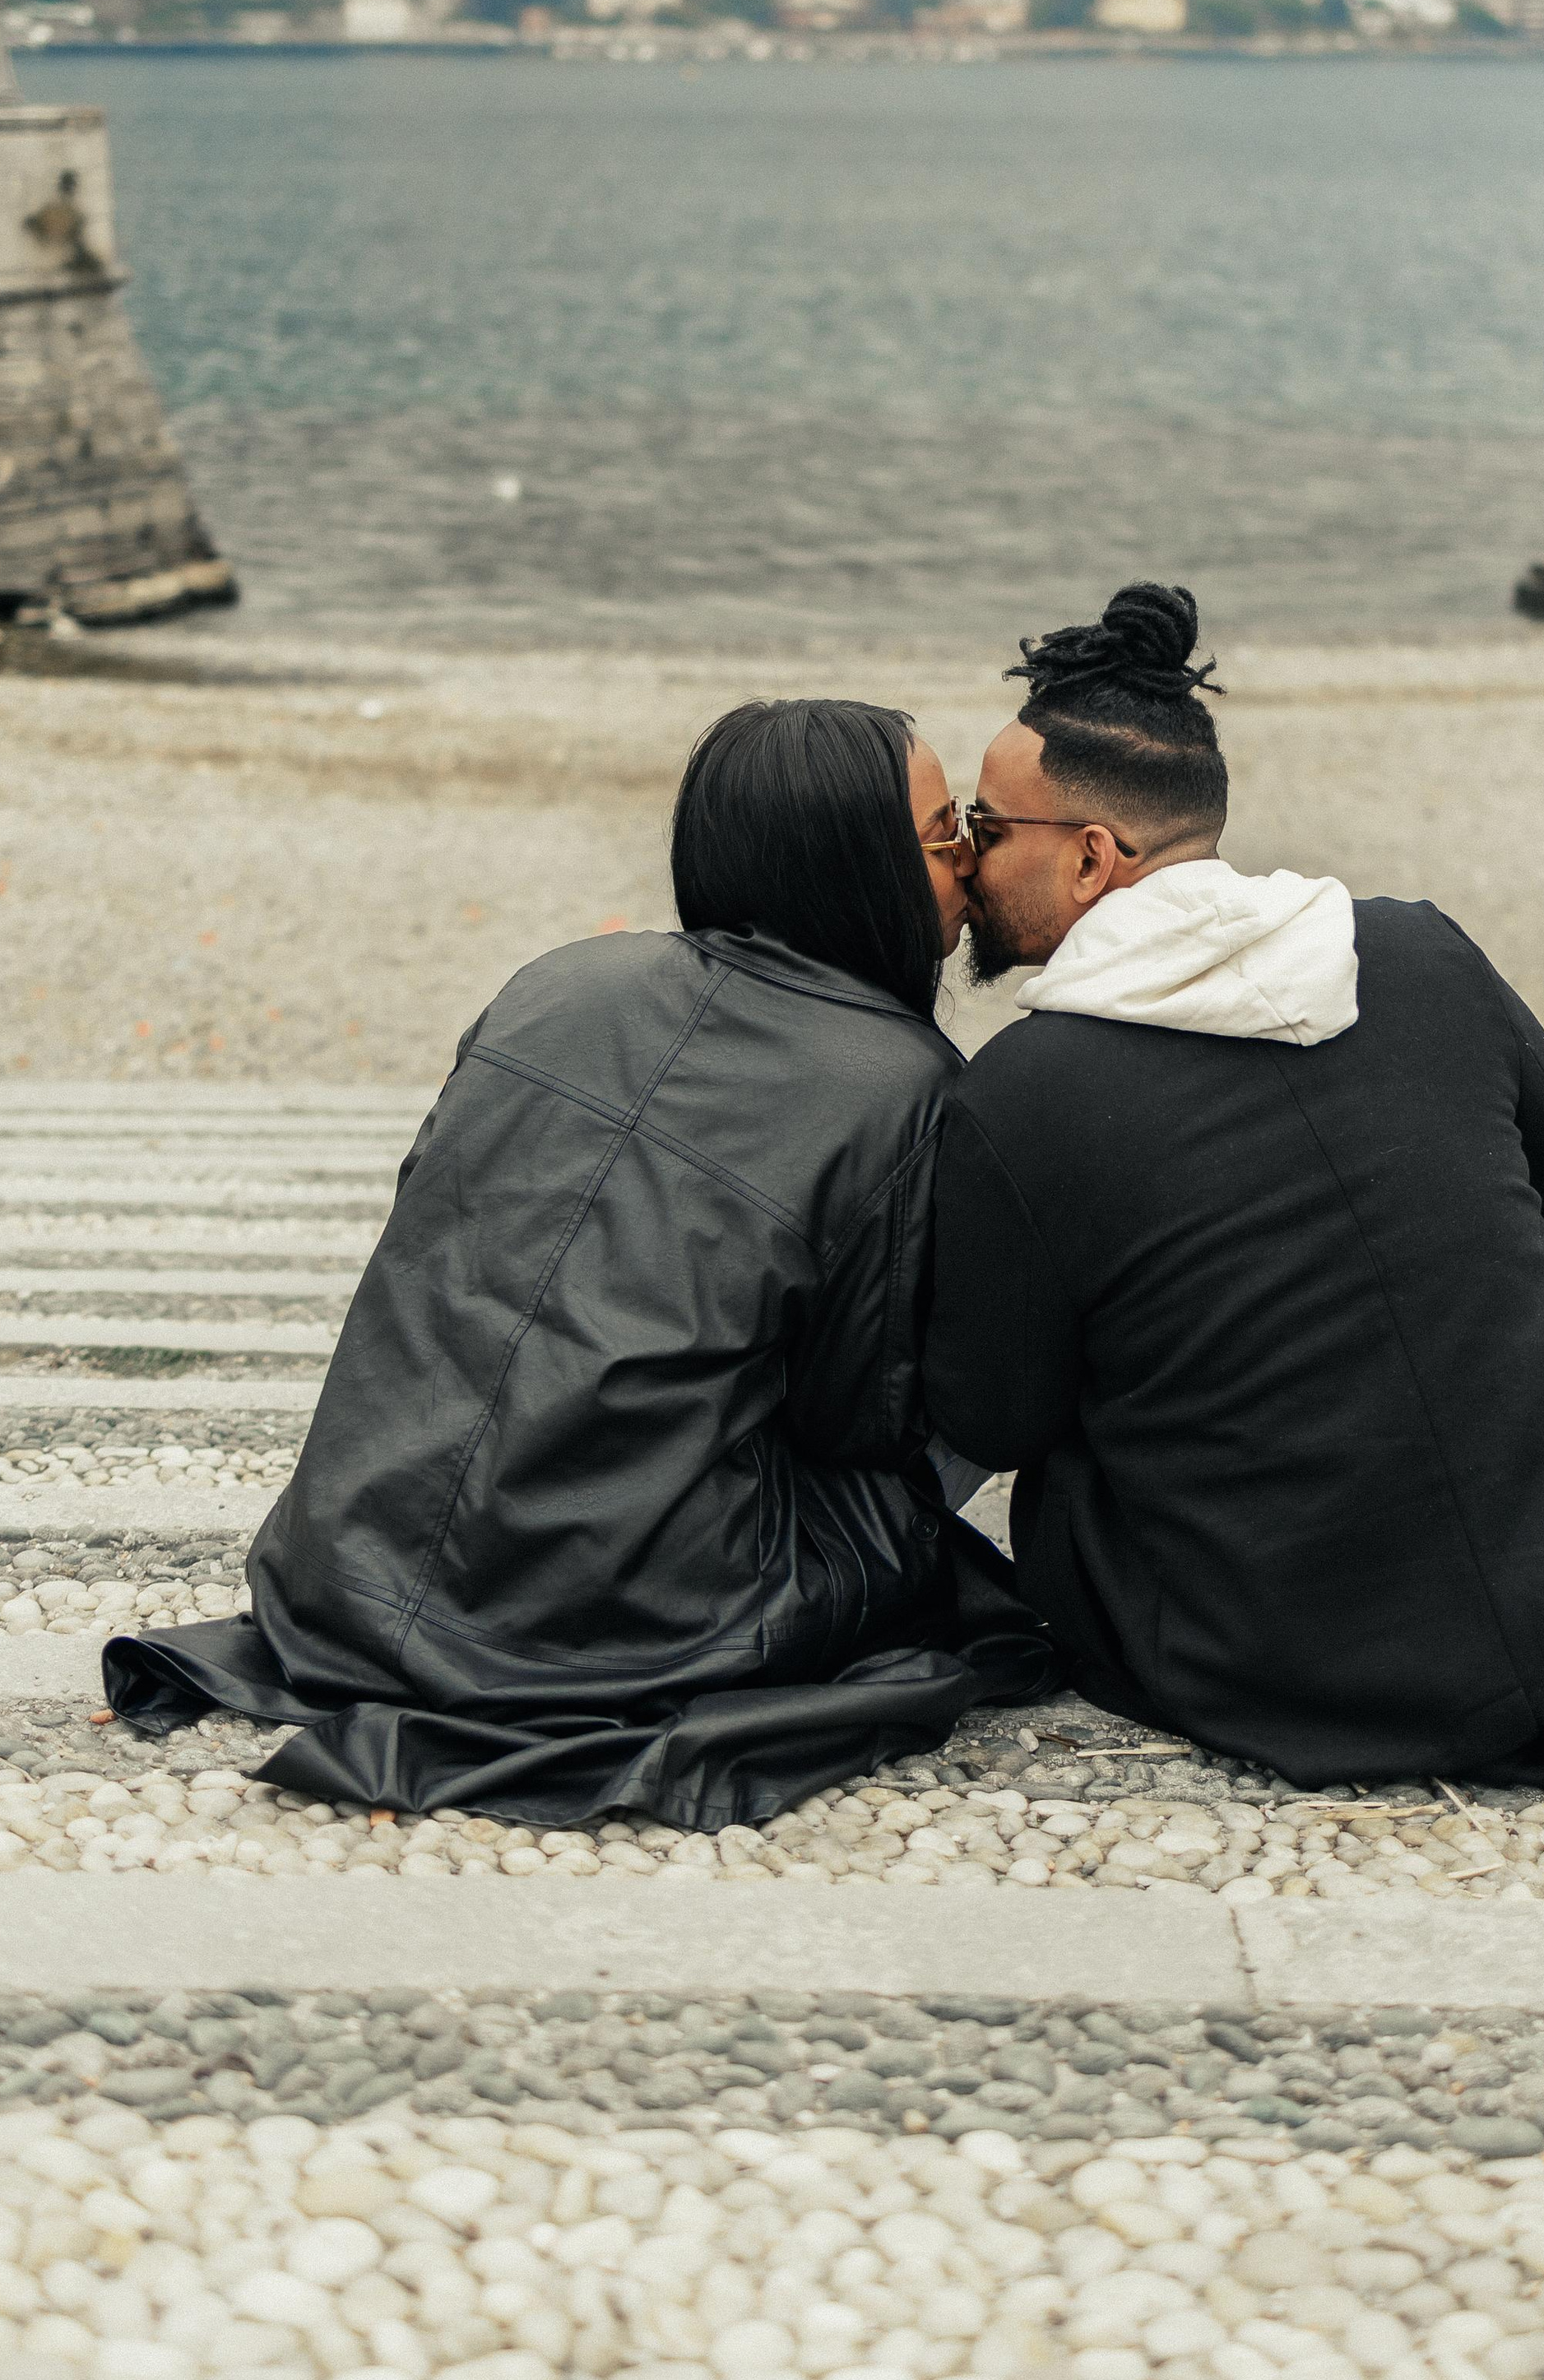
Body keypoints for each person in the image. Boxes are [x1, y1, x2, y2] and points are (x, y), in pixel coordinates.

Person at [922, 581, 1544, 1798]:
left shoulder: (1022, 1091)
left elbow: (1001, 1412)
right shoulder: (1416, 948)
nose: (967, 860)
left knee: (1084, 1429)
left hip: (1290, 1655)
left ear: (1091, 857)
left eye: (987, 826)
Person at [106, 698, 1054, 1827]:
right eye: (946, 834)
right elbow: (860, 1424)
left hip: (352, 1552)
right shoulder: (905, 1087)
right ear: (859, 870)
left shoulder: (560, 979)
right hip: (632, 1618)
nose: (969, 863)